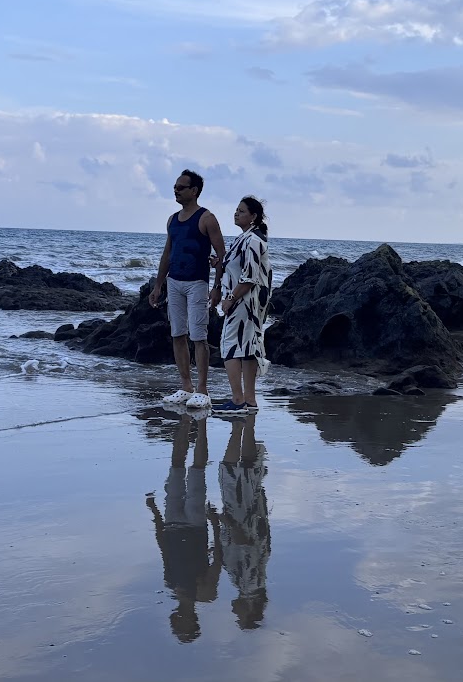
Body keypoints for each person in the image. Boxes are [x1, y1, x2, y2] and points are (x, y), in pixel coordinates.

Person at [149, 169, 225, 410]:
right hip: (175, 282)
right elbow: (168, 253)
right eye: (175, 186)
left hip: (197, 283)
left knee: (198, 336)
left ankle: (203, 390)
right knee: (177, 334)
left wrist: (217, 287)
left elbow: (222, 255)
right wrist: (158, 284)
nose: (176, 190)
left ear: (194, 191)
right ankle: (186, 386)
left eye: (181, 187)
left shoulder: (207, 218)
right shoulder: (172, 219)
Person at [146, 413, 221, 642]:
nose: (176, 623)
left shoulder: (171, 585)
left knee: (176, 466)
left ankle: (187, 422)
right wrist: (215, 523)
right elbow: (218, 559)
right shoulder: (206, 594)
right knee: (197, 469)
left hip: (172, 524)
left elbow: (164, 550)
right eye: (181, 627)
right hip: (196, 525)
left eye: (176, 628)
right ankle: (202, 424)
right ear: (193, 622)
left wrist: (155, 513)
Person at [211, 196, 271, 414]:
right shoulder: (245, 238)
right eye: (236, 210)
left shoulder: (252, 240)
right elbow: (240, 268)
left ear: (253, 216)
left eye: (242, 211)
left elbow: (250, 277)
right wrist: (221, 264)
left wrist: (231, 298)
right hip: (249, 301)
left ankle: (238, 400)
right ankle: (249, 400)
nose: (236, 214)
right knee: (247, 348)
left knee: (230, 346)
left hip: (246, 301)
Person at [216, 414, 270, 630]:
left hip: (248, 519)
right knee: (232, 473)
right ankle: (239, 427)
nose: (233, 612)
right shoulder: (249, 584)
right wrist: (224, 522)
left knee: (245, 473)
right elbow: (245, 546)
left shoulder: (254, 584)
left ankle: (243, 426)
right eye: (238, 617)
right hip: (241, 517)